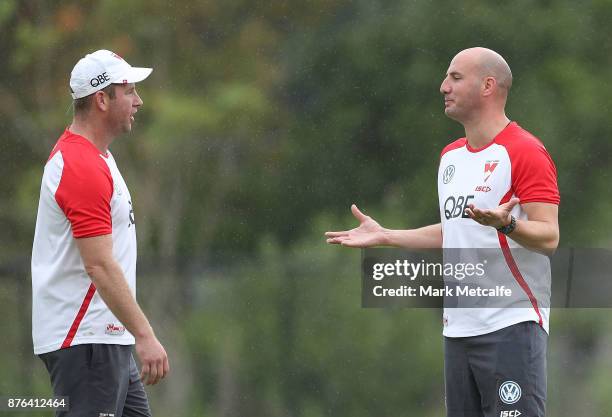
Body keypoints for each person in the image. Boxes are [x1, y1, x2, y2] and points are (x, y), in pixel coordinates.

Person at [326, 47, 559, 417]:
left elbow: (549, 237)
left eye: (455, 77)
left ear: (487, 85)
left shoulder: (525, 151)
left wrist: (507, 223)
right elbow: (455, 231)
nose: (442, 87)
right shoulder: (450, 157)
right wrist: (386, 235)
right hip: (458, 331)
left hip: (511, 326)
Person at [31, 49, 169, 417]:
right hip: (87, 338)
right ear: (102, 99)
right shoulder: (81, 165)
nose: (139, 101)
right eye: (129, 91)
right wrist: (144, 334)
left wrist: (131, 333)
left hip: (105, 336)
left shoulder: (99, 157)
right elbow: (99, 265)